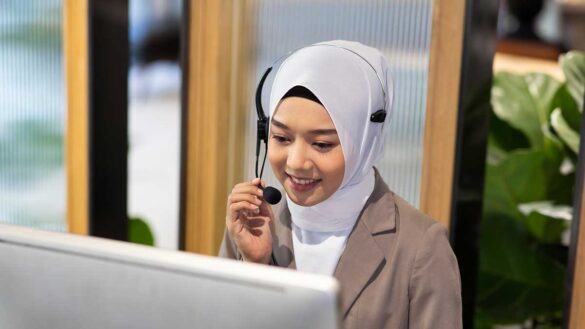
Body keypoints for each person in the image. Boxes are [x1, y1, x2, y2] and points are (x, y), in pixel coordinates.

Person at [219, 40, 462, 328]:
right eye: (281, 138)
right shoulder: (252, 224)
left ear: (363, 142)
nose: (296, 162)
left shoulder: (420, 247)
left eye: (321, 144)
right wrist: (255, 267)